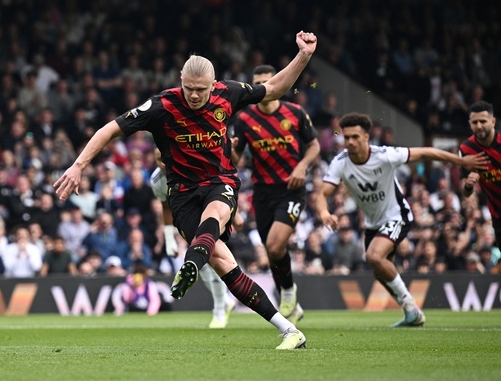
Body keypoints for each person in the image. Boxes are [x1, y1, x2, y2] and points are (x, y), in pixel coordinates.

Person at [55, 30, 317, 350]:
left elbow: (276, 87)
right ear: (181, 80)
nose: (194, 95)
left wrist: (303, 55)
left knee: (216, 215)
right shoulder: (161, 105)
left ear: (213, 84)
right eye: (189, 89)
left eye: (201, 90)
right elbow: (110, 129)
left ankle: (191, 263)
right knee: (224, 265)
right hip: (181, 193)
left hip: (220, 182)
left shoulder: (229, 93)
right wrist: (79, 165)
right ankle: (290, 330)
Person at [314, 112, 488, 327]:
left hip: (398, 216)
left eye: (355, 137)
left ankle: (410, 305)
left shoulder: (385, 155)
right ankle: (411, 313)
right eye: (346, 137)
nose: (350, 141)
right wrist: (324, 214)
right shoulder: (340, 162)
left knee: (374, 256)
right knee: (380, 271)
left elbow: (426, 152)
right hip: (373, 223)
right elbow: (322, 194)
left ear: (367, 137)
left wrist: (461, 160)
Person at [232, 64, 321, 324]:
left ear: (279, 83)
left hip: (290, 190)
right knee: (273, 251)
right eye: (258, 83)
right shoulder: (245, 119)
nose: (264, 87)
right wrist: (233, 149)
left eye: (268, 82)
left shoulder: (295, 113)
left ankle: (288, 292)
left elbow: (314, 145)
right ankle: (290, 300)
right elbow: (237, 159)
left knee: (273, 244)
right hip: (262, 193)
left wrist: (302, 166)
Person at [150, 148, 235, 329]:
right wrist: (170, 239)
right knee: (201, 263)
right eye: (158, 159)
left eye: (164, 157)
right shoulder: (157, 180)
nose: (163, 163)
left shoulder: (191, 165)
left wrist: (237, 212)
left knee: (212, 258)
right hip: (191, 219)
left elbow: (220, 183)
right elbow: (165, 206)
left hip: (212, 212)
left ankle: (220, 308)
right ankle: (223, 302)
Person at [459, 101, 501, 248]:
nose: (479, 126)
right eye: (475, 122)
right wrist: (469, 185)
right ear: (469, 123)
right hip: (499, 216)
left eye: (483, 121)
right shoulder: (466, 149)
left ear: (493, 121)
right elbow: (465, 193)